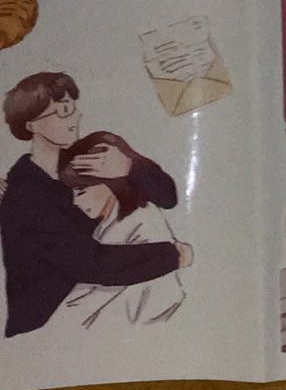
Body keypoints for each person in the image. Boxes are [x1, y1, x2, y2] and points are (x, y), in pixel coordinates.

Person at [0, 72, 189, 338]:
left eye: (74, 108)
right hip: (46, 330)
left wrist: (130, 167)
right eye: (63, 111)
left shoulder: (82, 158)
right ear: (32, 125)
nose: (75, 117)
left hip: (94, 309)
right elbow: (91, 263)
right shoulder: (27, 195)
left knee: (144, 217)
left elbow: (168, 197)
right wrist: (174, 255)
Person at [59, 132, 188, 329]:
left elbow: (105, 282)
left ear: (111, 184)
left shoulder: (141, 223)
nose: (76, 202)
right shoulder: (108, 223)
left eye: (82, 191)